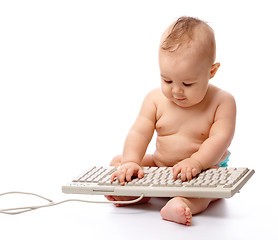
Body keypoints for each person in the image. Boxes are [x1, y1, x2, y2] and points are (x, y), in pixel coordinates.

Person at [106, 16, 236, 226]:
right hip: (161, 164)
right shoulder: (155, 99)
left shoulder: (222, 101)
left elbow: (221, 139)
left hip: (203, 170)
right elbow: (139, 132)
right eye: (167, 80)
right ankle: (138, 194)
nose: (176, 90)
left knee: (211, 188)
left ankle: (182, 202)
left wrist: (197, 162)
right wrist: (131, 161)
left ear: (211, 71)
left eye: (187, 83)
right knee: (118, 161)